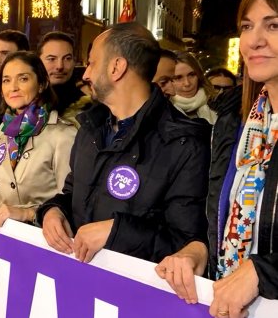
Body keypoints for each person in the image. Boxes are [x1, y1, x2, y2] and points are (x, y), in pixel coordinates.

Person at [36, 22, 210, 266]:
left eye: (92, 63)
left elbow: (185, 244)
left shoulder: (184, 144)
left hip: (132, 297)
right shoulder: (90, 128)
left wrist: (116, 231)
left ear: (117, 67)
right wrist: (53, 211)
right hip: (79, 282)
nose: (85, 74)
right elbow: (74, 193)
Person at [157, 0, 278, 316]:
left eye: (273, 25)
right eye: (247, 26)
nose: (254, 40)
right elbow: (219, 218)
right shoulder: (232, 123)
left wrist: (263, 271)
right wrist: (198, 251)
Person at [0, 51, 77, 229]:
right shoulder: (4, 129)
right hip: (2, 237)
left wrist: (27, 214)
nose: (12, 87)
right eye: (6, 80)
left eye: (22, 79)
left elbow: (71, 203)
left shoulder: (62, 134)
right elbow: (6, 191)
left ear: (41, 84)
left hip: (40, 241)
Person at [37, 31, 92, 127]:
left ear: (74, 61)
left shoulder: (88, 108)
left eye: (67, 58)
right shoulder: (26, 102)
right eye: (51, 59)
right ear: (38, 61)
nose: (60, 66)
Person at [171, 51, 218, 124]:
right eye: (178, 78)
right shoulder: (161, 112)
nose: (187, 83)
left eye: (192, 75)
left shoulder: (216, 105)